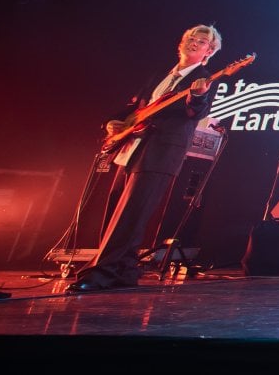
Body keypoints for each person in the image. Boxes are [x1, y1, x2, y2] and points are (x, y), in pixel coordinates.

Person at [68, 24, 221, 292]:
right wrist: (113, 122)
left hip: (162, 150)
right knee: (117, 209)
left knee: (131, 214)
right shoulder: (161, 74)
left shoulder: (204, 78)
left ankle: (101, 273)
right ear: (181, 42)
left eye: (201, 41)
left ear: (209, 51)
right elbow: (136, 107)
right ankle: (125, 270)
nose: (194, 43)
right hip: (133, 146)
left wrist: (197, 97)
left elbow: (196, 113)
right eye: (191, 38)